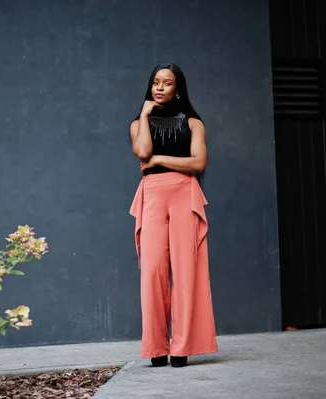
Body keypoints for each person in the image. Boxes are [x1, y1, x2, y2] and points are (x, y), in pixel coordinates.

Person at [129, 63, 218, 368]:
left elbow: (198, 163)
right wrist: (144, 114)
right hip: (152, 195)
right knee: (152, 272)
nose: (160, 87)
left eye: (167, 83)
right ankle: (156, 346)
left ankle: (181, 347)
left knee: (185, 272)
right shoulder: (137, 123)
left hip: (184, 194)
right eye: (156, 82)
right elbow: (142, 152)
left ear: (177, 89)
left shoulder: (194, 123)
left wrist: (160, 158)